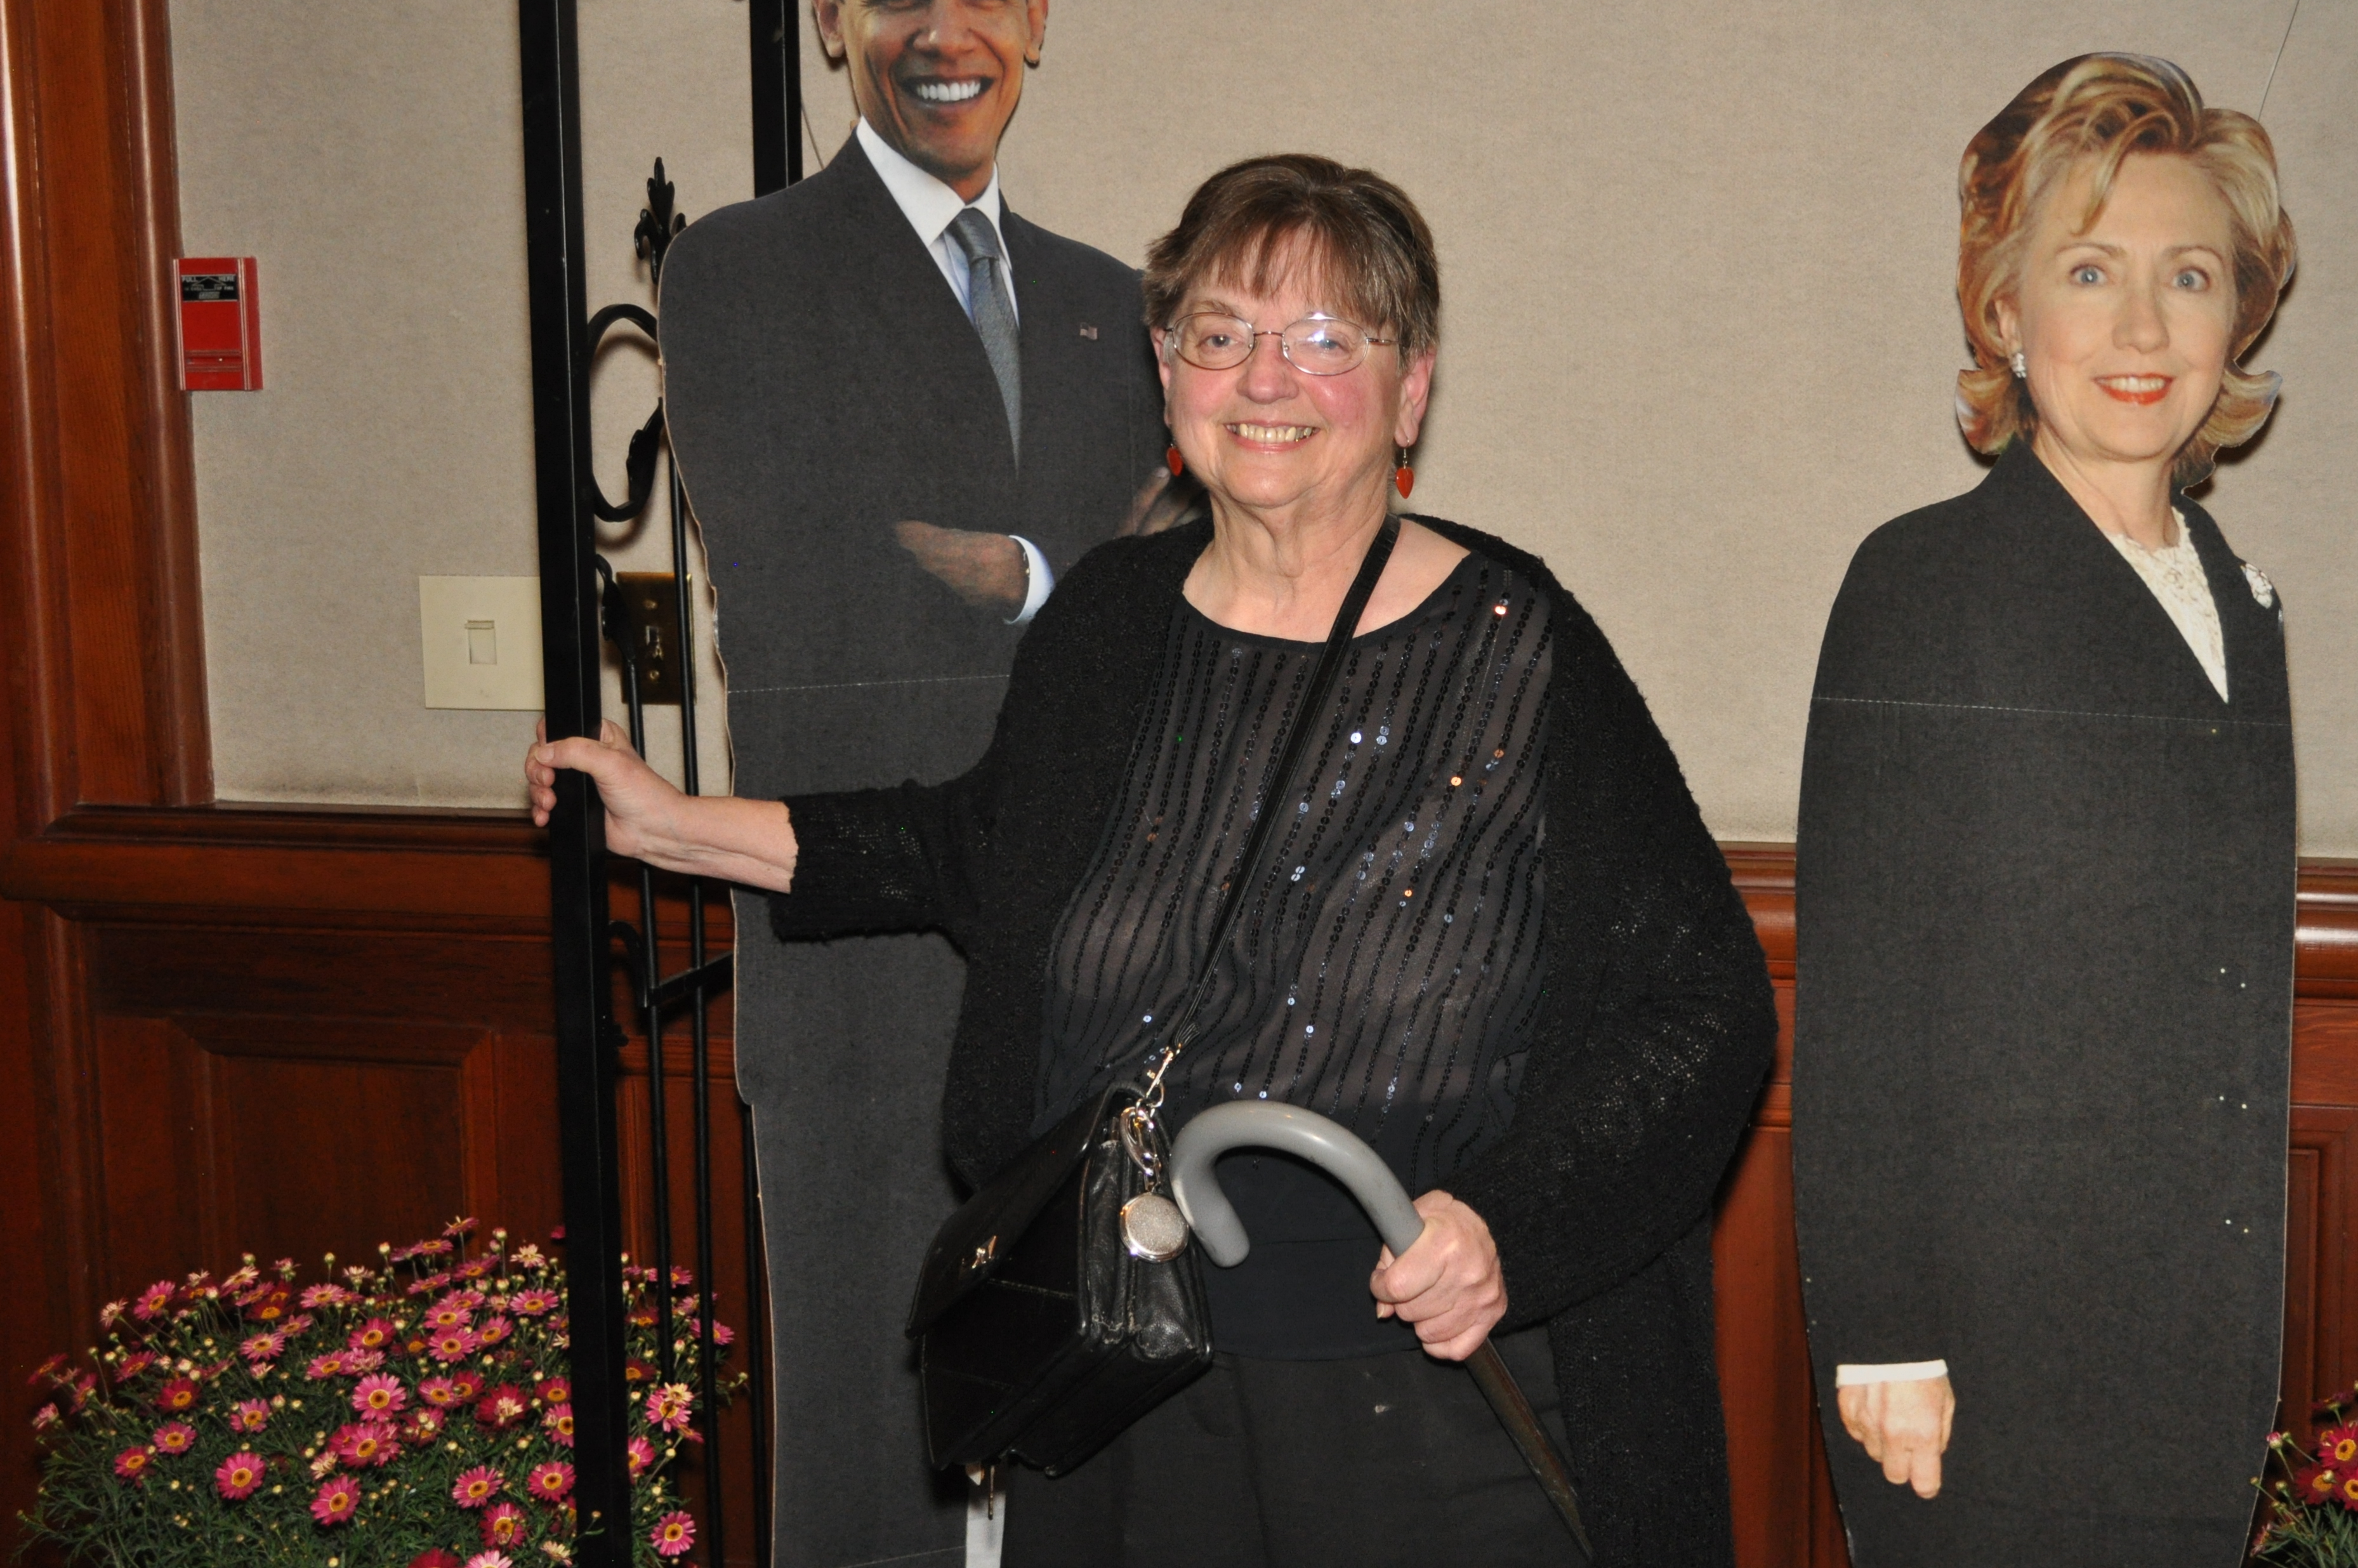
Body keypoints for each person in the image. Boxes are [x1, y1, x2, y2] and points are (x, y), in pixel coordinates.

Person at [537, 155, 1774, 1567]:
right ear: (1167, 371)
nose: (1266, 377)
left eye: (1326, 337)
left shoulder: (1517, 640)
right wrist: (668, 822)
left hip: (1426, 1397)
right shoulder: (1109, 622)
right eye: (1220, 332)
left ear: (1410, 387)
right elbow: (973, 848)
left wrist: (1510, 1228)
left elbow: (1704, 1005)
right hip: (1126, 1374)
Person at [652, 0, 1176, 1562]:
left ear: (1038, 19)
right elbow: (817, 565)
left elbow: (1182, 585)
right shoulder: (738, 273)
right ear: (826, 16)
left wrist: (1031, 571)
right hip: (865, 966)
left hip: (1096, 958)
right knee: (877, 1469)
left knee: (1098, 1443)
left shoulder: (1115, 305)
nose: (944, 31)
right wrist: (1063, 572)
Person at [1791, 54, 2299, 1565]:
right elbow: (1865, 990)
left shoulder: (2238, 603)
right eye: (2089, 271)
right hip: (1983, 1366)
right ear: (2004, 313)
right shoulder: (1922, 583)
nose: (2142, 328)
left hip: (2193, 1354)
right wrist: (1883, 1329)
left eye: (2186, 275)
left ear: (2236, 316)